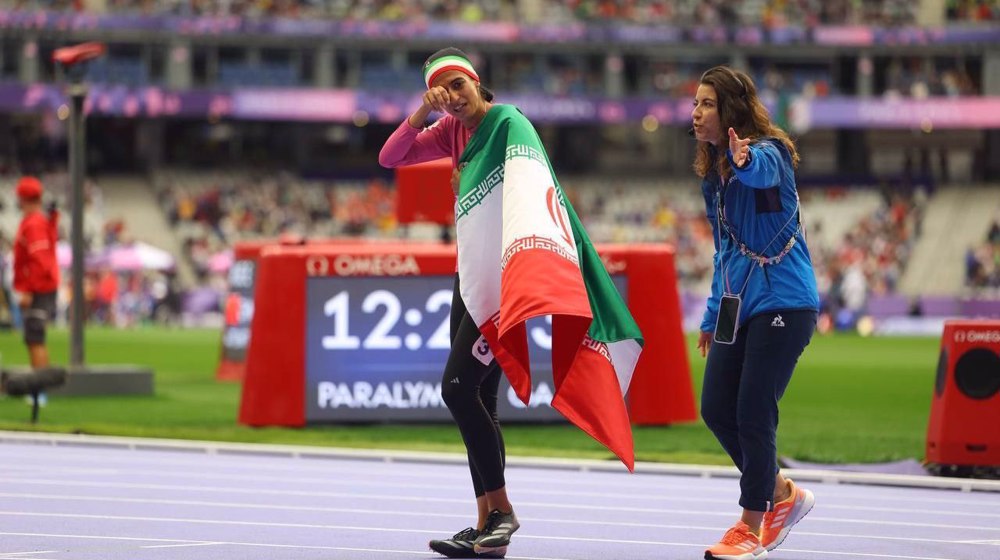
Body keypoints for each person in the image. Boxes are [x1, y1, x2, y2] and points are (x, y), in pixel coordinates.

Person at [378, 48, 515, 559]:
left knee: (457, 389)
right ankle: (487, 532)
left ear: (477, 83)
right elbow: (390, 157)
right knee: (482, 401)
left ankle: (501, 512)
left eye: (459, 86)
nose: (454, 98)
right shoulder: (448, 132)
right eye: (444, 90)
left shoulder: (505, 121)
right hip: (470, 274)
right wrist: (421, 113)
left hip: (501, 279)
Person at [691, 66, 819, 560]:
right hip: (735, 306)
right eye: (695, 104)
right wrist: (709, 317)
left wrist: (742, 158)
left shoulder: (771, 154)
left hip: (786, 300)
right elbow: (725, 251)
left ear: (731, 110)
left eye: (706, 103)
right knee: (716, 408)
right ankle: (782, 491)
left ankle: (751, 524)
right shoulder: (712, 179)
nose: (697, 112)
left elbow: (760, 168)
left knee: (752, 411)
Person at [12, 176, 60, 371]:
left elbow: (39, 262)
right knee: (33, 338)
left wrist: (28, 290)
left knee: (35, 338)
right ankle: (38, 388)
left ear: (22, 198)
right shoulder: (36, 222)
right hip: (42, 288)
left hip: (39, 290)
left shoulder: (34, 224)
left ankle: (39, 390)